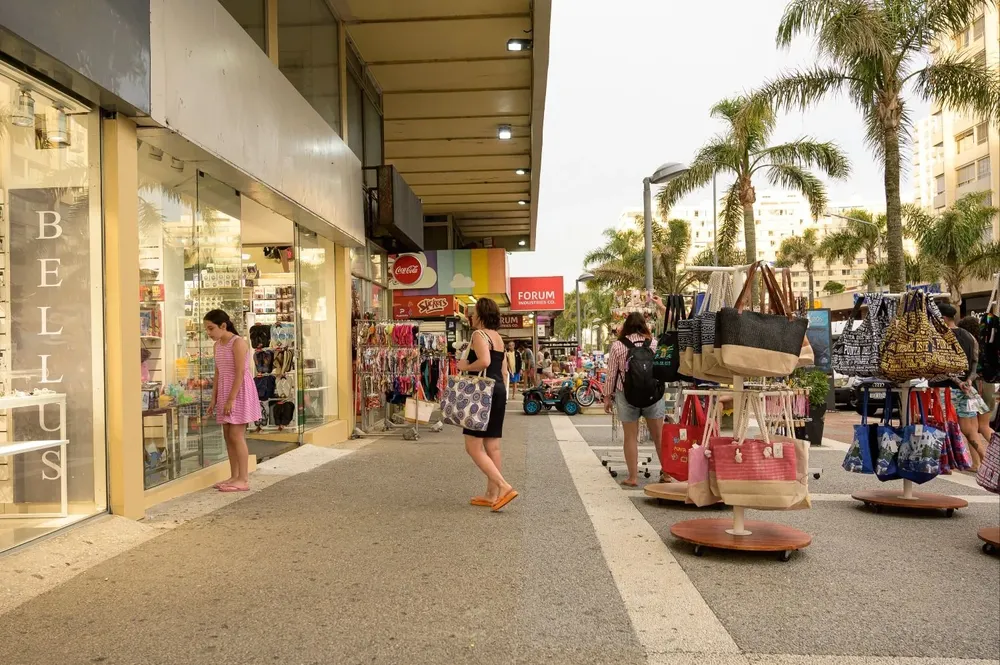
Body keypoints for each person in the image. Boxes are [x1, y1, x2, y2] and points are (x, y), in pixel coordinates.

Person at [456, 298, 518, 511]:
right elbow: (501, 369)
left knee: (472, 447)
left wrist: (465, 366)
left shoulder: (478, 335)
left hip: (481, 393)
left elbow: (484, 362)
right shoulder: (498, 338)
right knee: (492, 445)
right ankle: (491, 494)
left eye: (473, 312)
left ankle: (503, 487)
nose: (470, 316)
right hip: (497, 390)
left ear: (481, 315)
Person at [603, 312, 664, 487]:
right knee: (659, 436)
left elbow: (612, 374)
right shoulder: (654, 344)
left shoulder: (618, 346)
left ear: (626, 326)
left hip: (626, 395)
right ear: (644, 325)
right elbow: (660, 370)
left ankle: (633, 477)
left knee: (630, 437)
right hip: (653, 395)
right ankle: (666, 473)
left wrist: (607, 397)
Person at [203, 309, 261, 492]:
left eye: (211, 328)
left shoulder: (238, 343)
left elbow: (240, 373)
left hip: (239, 391)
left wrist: (231, 399)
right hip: (225, 391)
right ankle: (234, 475)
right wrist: (214, 398)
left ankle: (243, 478)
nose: (209, 333)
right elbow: (218, 372)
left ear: (223, 326)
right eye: (207, 329)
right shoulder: (218, 345)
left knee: (236, 435)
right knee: (228, 436)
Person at [939, 304, 990, 469]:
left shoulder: (942, 336)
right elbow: (975, 360)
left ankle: (945, 464)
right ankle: (987, 463)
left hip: (946, 389)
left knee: (940, 426)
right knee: (970, 430)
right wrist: (969, 380)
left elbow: (944, 365)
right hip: (968, 389)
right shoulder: (969, 336)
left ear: (943, 318)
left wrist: (958, 382)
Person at [958, 315, 995, 450]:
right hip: (988, 386)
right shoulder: (984, 343)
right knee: (981, 426)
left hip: (976, 387)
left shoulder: (969, 344)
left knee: (975, 427)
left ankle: (979, 462)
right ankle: (979, 462)